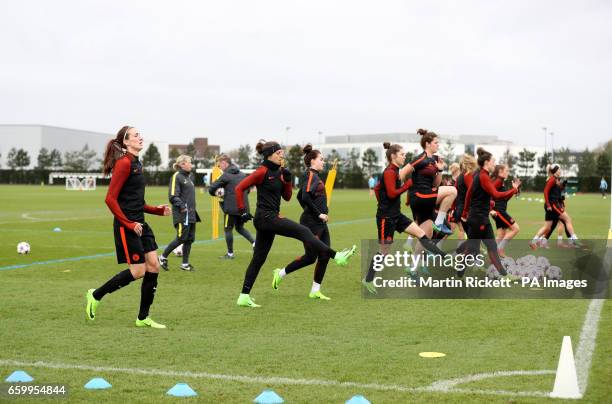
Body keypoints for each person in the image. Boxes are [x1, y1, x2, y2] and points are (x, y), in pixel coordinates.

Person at [234, 140, 357, 308]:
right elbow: (239, 188)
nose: (281, 156)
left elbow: (287, 197)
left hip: (270, 219)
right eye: (279, 153)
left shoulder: (280, 171)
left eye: (282, 153)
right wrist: (242, 210)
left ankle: (243, 296)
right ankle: (337, 256)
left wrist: (287, 181)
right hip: (265, 218)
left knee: (259, 259)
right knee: (304, 231)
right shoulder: (261, 171)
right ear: (270, 154)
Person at [85, 125, 171, 329]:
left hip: (140, 223)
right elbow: (110, 199)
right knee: (139, 270)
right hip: (128, 226)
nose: (140, 138)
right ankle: (95, 295)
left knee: (154, 266)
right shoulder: (123, 164)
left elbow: (136, 202)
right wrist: (129, 224)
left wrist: (157, 210)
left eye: (140, 134)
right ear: (126, 142)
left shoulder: (137, 164)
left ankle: (143, 318)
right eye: (135, 136)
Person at [362, 142, 447, 294]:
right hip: (385, 219)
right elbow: (392, 194)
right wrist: (408, 185)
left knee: (421, 234)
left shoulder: (396, 171)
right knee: (384, 252)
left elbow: (377, 189)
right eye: (402, 154)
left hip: (397, 215)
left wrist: (383, 199)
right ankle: (368, 279)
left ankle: (444, 257)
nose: (404, 156)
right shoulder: (389, 172)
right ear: (393, 156)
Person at [271, 144, 334, 300]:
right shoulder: (311, 175)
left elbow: (300, 196)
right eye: (321, 159)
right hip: (311, 223)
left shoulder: (314, 176)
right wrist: (318, 214)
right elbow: (305, 197)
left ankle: (315, 290)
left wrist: (315, 212)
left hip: (319, 223)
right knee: (311, 257)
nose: (323, 162)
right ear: (312, 161)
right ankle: (280, 273)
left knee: (323, 255)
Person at [457, 148, 521, 277]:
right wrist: (514, 190)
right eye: (493, 161)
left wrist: (465, 212)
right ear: (486, 162)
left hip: (482, 218)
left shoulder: (480, 174)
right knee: (473, 248)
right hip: (477, 219)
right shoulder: (483, 176)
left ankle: (505, 275)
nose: (494, 164)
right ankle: (459, 268)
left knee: (490, 247)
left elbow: (470, 193)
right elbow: (496, 194)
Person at [406, 129, 457, 237]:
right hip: (419, 196)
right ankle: (439, 222)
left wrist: (439, 170)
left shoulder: (434, 160)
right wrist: (395, 191)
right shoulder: (420, 158)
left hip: (427, 195)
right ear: (427, 144)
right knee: (452, 191)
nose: (438, 145)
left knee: (427, 236)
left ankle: (417, 253)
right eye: (436, 143)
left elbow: (436, 185)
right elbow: (402, 173)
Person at [208, 154, 255, 259]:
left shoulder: (225, 176)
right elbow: (247, 190)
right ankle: (255, 243)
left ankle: (230, 254)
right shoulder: (242, 174)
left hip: (231, 208)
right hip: (243, 207)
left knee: (228, 229)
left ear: (224, 163)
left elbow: (211, 188)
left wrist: (219, 193)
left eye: (220, 165)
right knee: (239, 228)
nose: (219, 168)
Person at [159, 155, 201, 271]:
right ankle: (162, 257)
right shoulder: (177, 176)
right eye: (189, 162)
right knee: (181, 237)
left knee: (190, 239)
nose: (191, 165)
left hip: (191, 214)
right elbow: (172, 196)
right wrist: (182, 206)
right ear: (182, 164)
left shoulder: (189, 178)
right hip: (182, 214)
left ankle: (185, 264)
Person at [529, 164, 580, 249]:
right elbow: (545, 192)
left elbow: (556, 191)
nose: (560, 171)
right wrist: (549, 204)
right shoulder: (552, 179)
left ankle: (534, 241)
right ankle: (574, 239)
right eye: (559, 170)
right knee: (567, 219)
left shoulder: (555, 179)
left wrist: (563, 185)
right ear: (555, 171)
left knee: (548, 227)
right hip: (553, 205)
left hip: (552, 205)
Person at [490, 164, 520, 257]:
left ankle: (493, 255)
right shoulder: (498, 181)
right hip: (498, 211)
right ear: (500, 172)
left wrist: (514, 189)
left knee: (501, 235)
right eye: (506, 171)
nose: (508, 172)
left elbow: (504, 198)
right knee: (515, 229)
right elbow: (488, 195)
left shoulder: (501, 181)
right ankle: (499, 249)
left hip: (500, 210)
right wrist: (490, 210)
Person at [453, 154, 478, 246]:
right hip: (467, 211)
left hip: (460, 209)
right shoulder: (467, 176)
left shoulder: (460, 176)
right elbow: (473, 192)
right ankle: (460, 253)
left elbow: (454, 192)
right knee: (474, 238)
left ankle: (461, 254)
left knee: (472, 238)